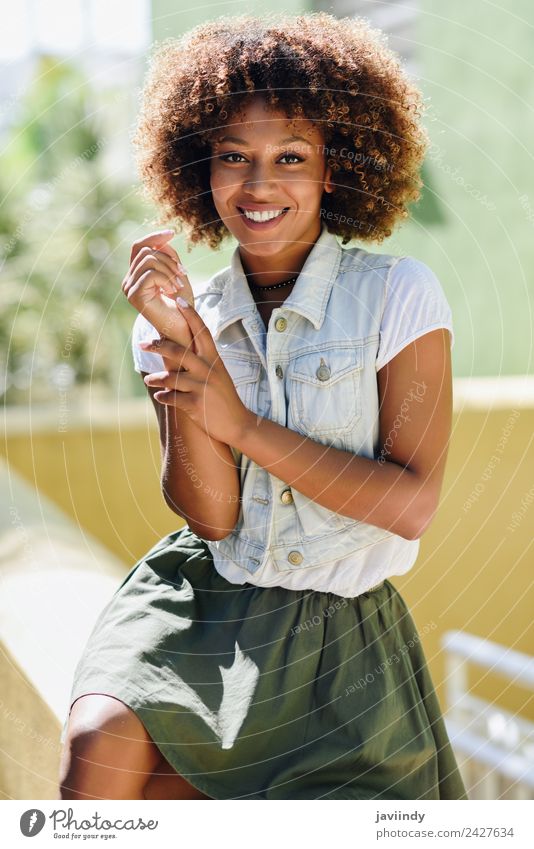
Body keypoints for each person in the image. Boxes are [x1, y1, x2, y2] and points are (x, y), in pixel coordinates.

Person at [58, 11, 468, 800]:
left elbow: (411, 504)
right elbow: (212, 518)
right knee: (96, 761)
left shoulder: (398, 296)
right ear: (198, 170)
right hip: (200, 607)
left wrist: (242, 424)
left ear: (334, 172)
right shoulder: (179, 319)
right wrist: (185, 347)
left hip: (339, 639)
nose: (259, 185)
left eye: (291, 157)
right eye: (232, 158)